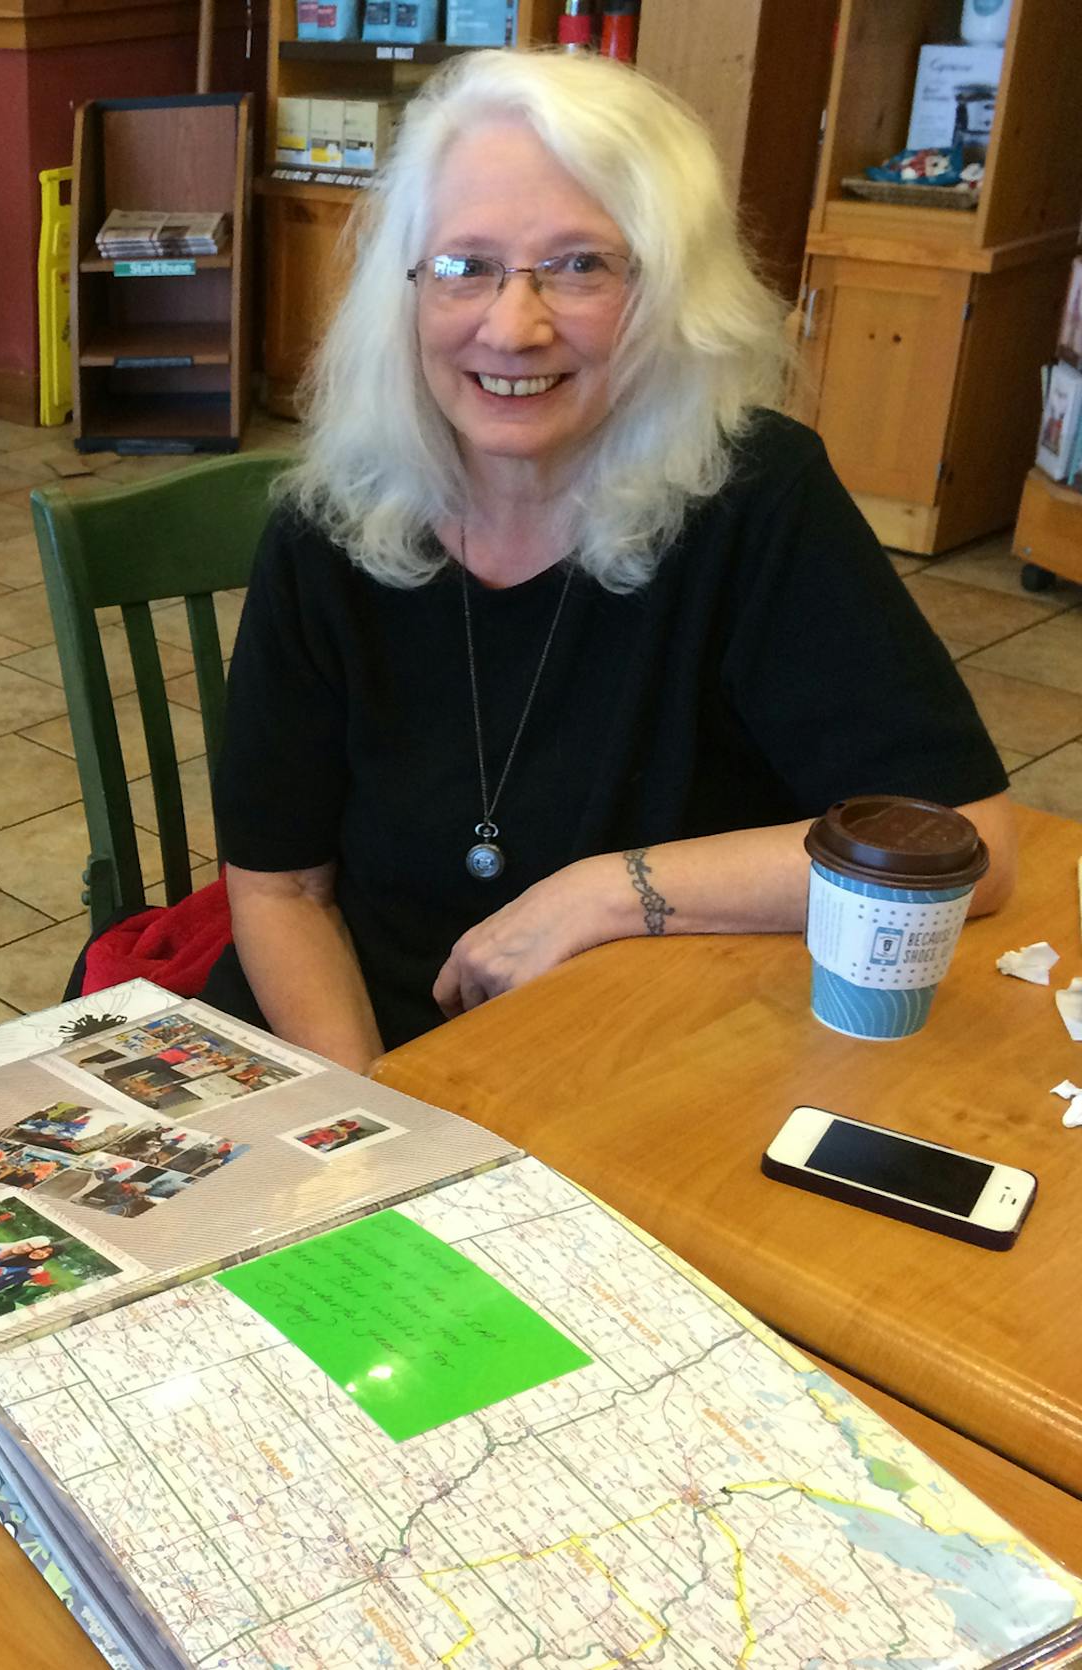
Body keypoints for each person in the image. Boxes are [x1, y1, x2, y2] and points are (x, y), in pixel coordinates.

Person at [208, 51, 1014, 1069]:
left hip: (633, 1061)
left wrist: (608, 890)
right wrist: (376, 1121)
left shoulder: (754, 497)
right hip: (357, 1045)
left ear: (669, 293)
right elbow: (282, 887)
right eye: (467, 264)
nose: (514, 324)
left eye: (580, 264)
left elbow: (961, 844)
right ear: (406, 288)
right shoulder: (333, 519)